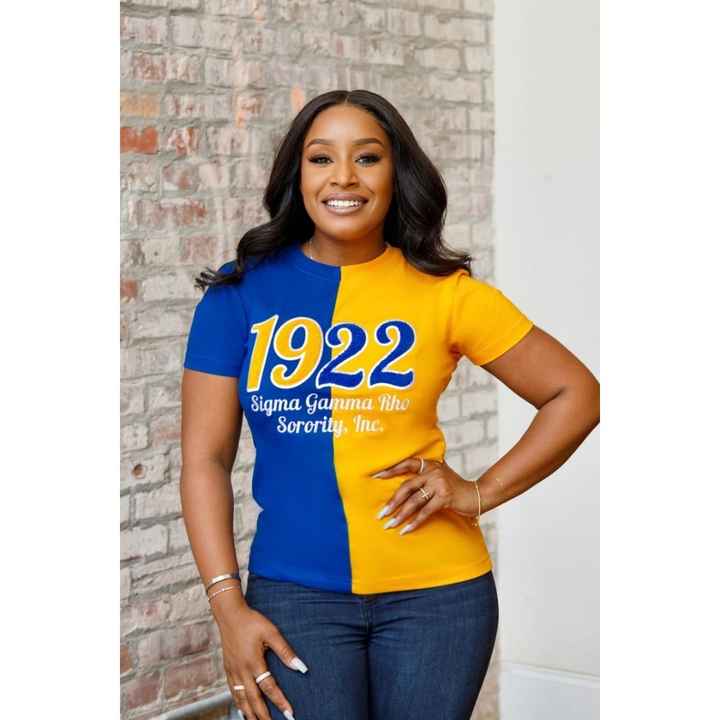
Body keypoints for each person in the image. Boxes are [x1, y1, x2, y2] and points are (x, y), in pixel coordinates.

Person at [180, 90, 600, 720]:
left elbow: (576, 394)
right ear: (298, 174)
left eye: (367, 158)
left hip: (438, 598)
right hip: (294, 597)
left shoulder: (447, 294)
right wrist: (227, 605)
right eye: (322, 158)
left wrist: (478, 492)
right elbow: (204, 460)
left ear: (395, 174)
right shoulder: (239, 292)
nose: (344, 177)